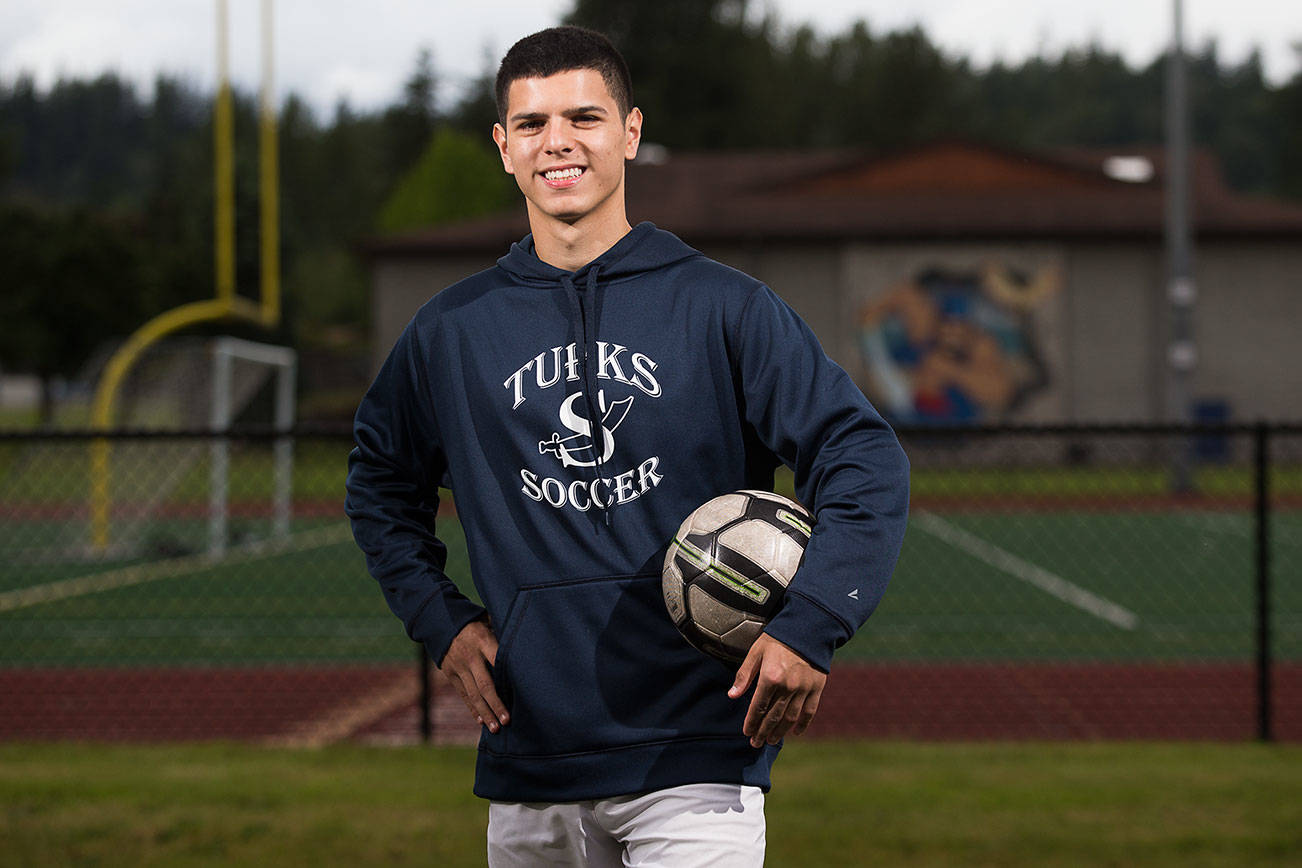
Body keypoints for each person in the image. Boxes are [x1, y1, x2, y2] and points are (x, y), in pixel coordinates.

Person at [345, 25, 909, 867]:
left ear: (631, 132)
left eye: (584, 117)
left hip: (694, 764)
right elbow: (380, 486)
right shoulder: (452, 332)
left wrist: (811, 623)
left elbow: (862, 455)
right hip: (529, 757)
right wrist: (442, 620)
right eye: (532, 125)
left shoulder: (726, 308)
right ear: (503, 148)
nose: (558, 143)